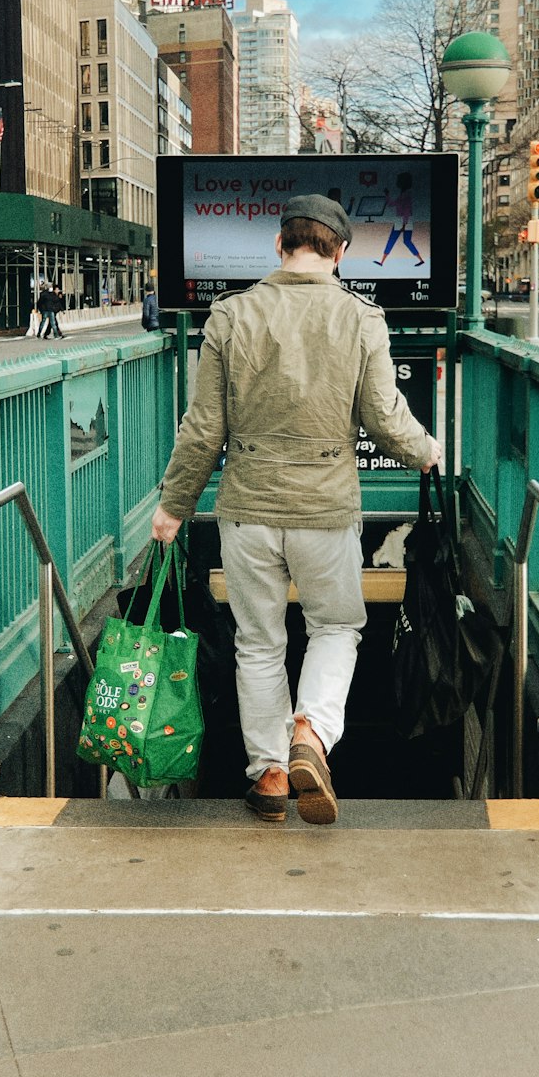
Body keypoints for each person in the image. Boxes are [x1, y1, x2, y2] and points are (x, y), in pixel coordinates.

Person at [150, 194, 441, 825]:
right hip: (325, 507)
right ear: (341, 252)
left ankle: (271, 774)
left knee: (257, 643)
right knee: (335, 626)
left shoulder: (229, 316)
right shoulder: (362, 318)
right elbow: (385, 420)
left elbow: (203, 429)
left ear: (279, 247)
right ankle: (310, 733)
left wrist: (174, 506)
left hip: (247, 506)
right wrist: (428, 452)